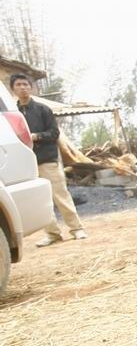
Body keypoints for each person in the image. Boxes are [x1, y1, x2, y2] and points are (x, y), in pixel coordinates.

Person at [9, 73, 87, 246]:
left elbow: (54, 133)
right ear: (12, 89)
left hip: (47, 159)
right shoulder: (13, 114)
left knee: (60, 195)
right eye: (18, 85)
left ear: (31, 88)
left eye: (25, 84)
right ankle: (52, 234)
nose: (22, 87)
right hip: (27, 163)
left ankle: (77, 229)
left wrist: (35, 136)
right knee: (41, 200)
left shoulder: (43, 109)